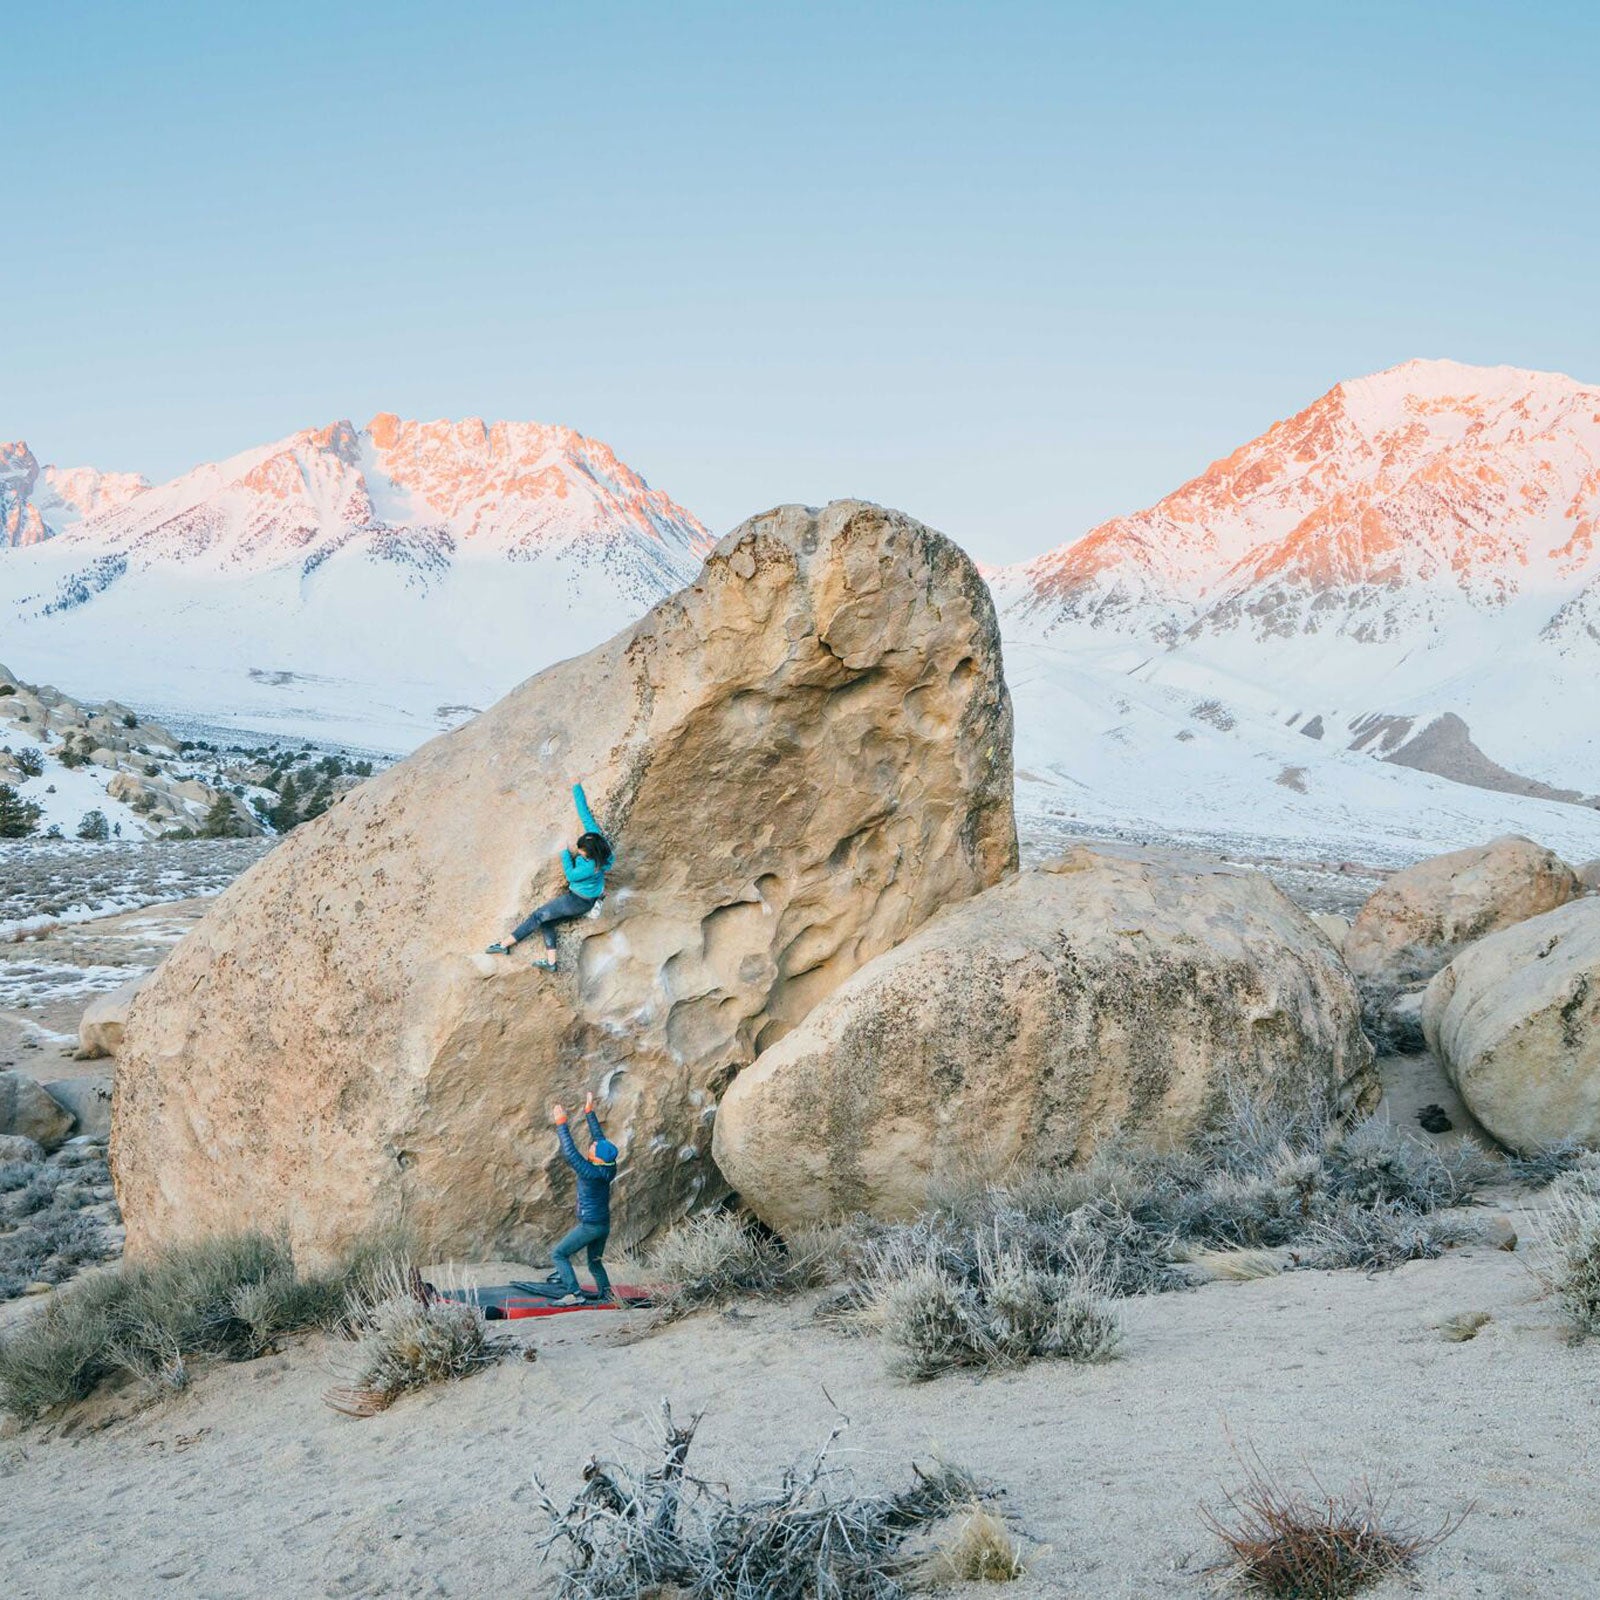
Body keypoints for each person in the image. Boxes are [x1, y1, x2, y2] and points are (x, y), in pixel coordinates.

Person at [487, 782, 614, 971]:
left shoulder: (589, 868)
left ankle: (503, 945)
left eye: (581, 852)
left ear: (591, 854)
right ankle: (551, 963)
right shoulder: (597, 841)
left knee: (539, 916)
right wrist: (576, 788)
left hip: (578, 901)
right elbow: (585, 814)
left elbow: (571, 876)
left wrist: (564, 852)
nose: (579, 851)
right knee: (547, 921)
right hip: (589, 895)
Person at [549, 1092, 618, 1304]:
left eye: (594, 1148)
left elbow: (570, 1154)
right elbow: (599, 1137)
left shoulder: (590, 1173)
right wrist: (589, 1111)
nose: (593, 1144)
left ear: (595, 1158)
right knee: (594, 1263)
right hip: (602, 1224)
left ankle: (574, 1294)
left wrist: (561, 1124)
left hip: (590, 1226)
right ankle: (607, 1295)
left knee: (559, 1254)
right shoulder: (608, 1166)